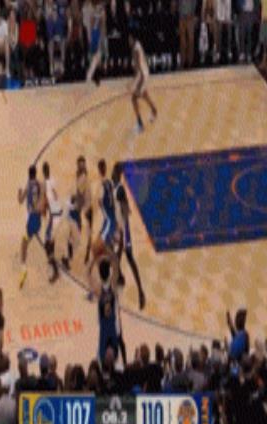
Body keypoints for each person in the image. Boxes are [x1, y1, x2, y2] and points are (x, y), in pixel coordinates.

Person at [112, 162, 145, 310]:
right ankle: (119, 277)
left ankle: (141, 292)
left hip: (123, 229)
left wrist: (121, 228)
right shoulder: (114, 187)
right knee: (116, 256)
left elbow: (125, 211)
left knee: (129, 258)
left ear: (118, 174)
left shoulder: (120, 190)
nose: (112, 174)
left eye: (114, 172)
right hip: (118, 227)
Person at [18, 165, 44, 289]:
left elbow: (20, 200)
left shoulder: (28, 185)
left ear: (29, 175)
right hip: (38, 220)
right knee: (28, 239)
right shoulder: (39, 184)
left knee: (24, 244)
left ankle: (23, 270)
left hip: (32, 220)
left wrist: (19, 192)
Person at [128, 32, 157, 133]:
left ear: (133, 38)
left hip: (142, 76)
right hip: (145, 73)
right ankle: (154, 110)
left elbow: (138, 69)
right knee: (144, 95)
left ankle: (140, 124)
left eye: (129, 38)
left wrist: (133, 83)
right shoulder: (138, 45)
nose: (128, 41)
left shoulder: (135, 50)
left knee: (134, 99)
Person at [43, 161, 62, 283]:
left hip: (54, 216)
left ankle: (55, 271)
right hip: (57, 214)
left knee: (46, 243)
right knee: (51, 239)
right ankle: (52, 258)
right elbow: (56, 195)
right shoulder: (52, 180)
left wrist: (46, 212)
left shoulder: (45, 185)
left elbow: (46, 201)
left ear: (43, 172)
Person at [75, 156, 93, 263]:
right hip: (87, 206)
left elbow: (80, 195)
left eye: (82, 165)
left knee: (88, 230)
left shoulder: (82, 177)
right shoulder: (82, 176)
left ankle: (87, 252)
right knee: (88, 230)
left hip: (87, 207)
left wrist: (77, 207)